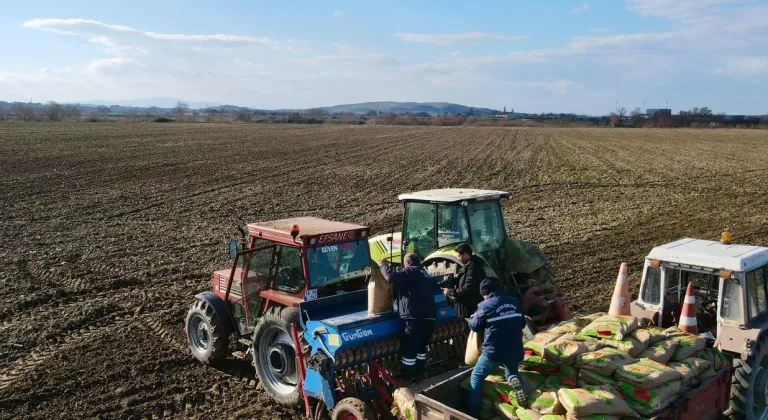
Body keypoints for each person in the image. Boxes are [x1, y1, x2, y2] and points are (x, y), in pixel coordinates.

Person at [468, 279, 527, 415]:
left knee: (477, 375)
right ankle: (514, 380)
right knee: (511, 372)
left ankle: (472, 411)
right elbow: (522, 324)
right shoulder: (515, 302)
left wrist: (473, 317)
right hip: (515, 349)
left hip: (494, 352)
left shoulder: (484, 305)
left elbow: (475, 326)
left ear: (485, 293)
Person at [379, 253, 437, 381]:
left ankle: (408, 375)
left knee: (410, 348)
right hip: (430, 317)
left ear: (407, 262)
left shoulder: (410, 271)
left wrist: (383, 265)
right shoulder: (424, 272)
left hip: (414, 318)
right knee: (421, 347)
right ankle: (421, 371)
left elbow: (391, 277)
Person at [442, 243, 485, 319]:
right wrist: (453, 280)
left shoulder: (473, 267)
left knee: (475, 328)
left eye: (459, 256)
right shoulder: (468, 266)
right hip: (469, 306)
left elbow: (468, 287)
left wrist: (449, 292)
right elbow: (464, 281)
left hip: (472, 306)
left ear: (465, 254)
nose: (457, 258)